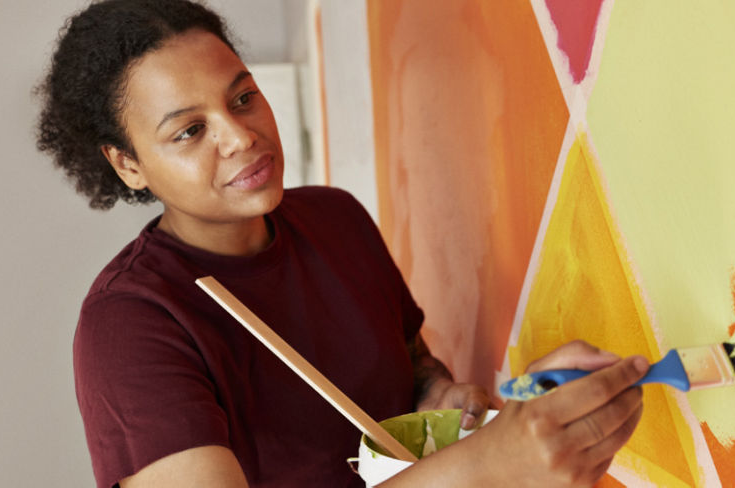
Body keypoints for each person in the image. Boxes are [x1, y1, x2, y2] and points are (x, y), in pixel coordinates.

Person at [36, 1, 646, 487]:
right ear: (128, 165)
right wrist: (488, 465)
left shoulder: (337, 218)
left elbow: (412, 366)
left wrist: (443, 399)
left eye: (243, 98)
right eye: (191, 130)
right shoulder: (129, 323)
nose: (241, 136)